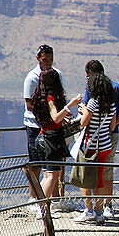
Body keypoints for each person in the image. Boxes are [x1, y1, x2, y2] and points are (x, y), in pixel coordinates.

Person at [82, 60, 119, 221]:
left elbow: (85, 119)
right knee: (105, 173)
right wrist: (114, 122)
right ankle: (104, 208)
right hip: (108, 138)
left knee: (90, 174)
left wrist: (83, 111)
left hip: (95, 139)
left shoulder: (95, 90)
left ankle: (95, 208)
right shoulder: (115, 89)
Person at [32, 70, 82, 213]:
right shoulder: (51, 98)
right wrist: (70, 105)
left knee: (47, 175)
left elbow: (51, 120)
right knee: (52, 176)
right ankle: (42, 208)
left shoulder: (40, 97)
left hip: (43, 137)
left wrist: (63, 117)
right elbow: (55, 118)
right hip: (50, 142)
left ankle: (38, 203)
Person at [74, 72, 118, 223]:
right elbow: (112, 126)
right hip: (105, 145)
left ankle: (89, 210)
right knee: (99, 179)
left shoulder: (93, 103)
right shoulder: (112, 104)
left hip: (91, 147)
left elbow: (83, 123)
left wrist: (82, 111)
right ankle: (100, 213)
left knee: (85, 178)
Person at [22, 44, 62, 199]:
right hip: (35, 125)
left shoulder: (56, 74)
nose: (48, 62)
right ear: (38, 58)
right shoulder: (32, 77)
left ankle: (55, 198)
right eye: (45, 59)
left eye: (51, 59)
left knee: (53, 164)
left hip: (52, 126)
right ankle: (33, 197)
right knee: (36, 164)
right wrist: (47, 116)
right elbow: (29, 105)